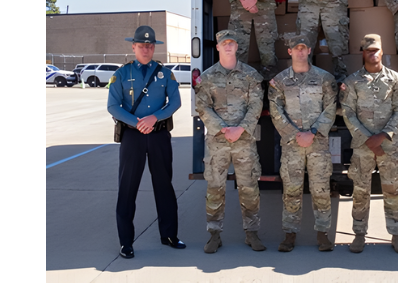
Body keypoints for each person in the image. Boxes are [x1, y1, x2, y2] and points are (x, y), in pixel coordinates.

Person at [107, 25, 184, 259]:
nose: (146, 49)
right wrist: (138, 122)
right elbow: (113, 106)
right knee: (128, 188)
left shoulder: (164, 73)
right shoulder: (121, 74)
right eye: (142, 45)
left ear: (154, 48)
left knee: (164, 186)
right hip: (133, 137)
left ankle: (169, 235)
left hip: (159, 135)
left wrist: (155, 118)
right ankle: (126, 242)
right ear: (134, 47)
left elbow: (175, 102)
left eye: (150, 46)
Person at [194, 29, 266, 253]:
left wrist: (241, 128)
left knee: (249, 187)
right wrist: (223, 129)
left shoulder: (251, 75)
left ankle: (251, 233)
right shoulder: (207, 77)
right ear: (217, 47)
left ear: (237, 47)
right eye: (224, 43)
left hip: (244, 141)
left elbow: (256, 105)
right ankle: (214, 234)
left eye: (231, 43)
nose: (228, 46)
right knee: (215, 187)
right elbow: (202, 106)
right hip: (218, 141)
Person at [339, 34, 398, 254]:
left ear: (382, 51)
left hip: (388, 145)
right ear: (363, 52)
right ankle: (359, 234)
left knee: (392, 189)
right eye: (368, 50)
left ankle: (396, 234)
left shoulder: (397, 81)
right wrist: (367, 138)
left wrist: (383, 135)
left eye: (376, 49)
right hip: (362, 146)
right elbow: (348, 112)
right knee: (360, 190)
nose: (373, 53)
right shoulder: (352, 82)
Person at [268, 35, 338, 252]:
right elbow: (275, 110)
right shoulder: (279, 81)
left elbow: (331, 108)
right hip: (292, 145)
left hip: (318, 144)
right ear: (289, 52)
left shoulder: (325, 79)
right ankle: (289, 234)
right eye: (295, 48)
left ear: (309, 50)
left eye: (303, 48)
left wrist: (314, 132)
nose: (299, 52)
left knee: (321, 189)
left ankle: (323, 234)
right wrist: (294, 134)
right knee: (291, 189)